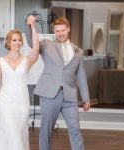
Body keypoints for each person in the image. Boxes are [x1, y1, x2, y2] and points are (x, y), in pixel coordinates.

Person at [26, 16, 90, 150]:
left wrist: (86, 98)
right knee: (46, 130)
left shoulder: (78, 51)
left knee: (75, 130)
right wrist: (30, 25)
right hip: (50, 95)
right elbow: (32, 43)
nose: (60, 33)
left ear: (68, 29)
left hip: (70, 97)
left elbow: (81, 75)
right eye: (57, 31)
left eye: (63, 30)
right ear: (54, 32)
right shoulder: (46, 44)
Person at [0, 16, 39, 150]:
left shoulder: (27, 61)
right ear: (8, 42)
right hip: (5, 102)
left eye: (19, 40)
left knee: (18, 132)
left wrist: (33, 26)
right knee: (10, 130)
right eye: (14, 40)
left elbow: (35, 50)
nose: (17, 43)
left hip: (21, 102)